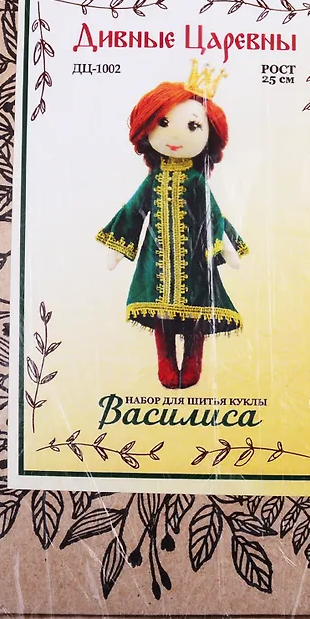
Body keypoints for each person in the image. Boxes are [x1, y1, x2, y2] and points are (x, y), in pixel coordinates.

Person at [96, 61, 248, 389]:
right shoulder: (153, 180)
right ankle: (165, 360)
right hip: (157, 259)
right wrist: (118, 248)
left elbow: (213, 214)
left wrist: (225, 245)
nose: (176, 135)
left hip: (195, 259)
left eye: (193, 126)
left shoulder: (196, 181)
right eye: (163, 123)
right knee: (160, 315)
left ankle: (193, 358)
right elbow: (134, 210)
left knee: (196, 310)